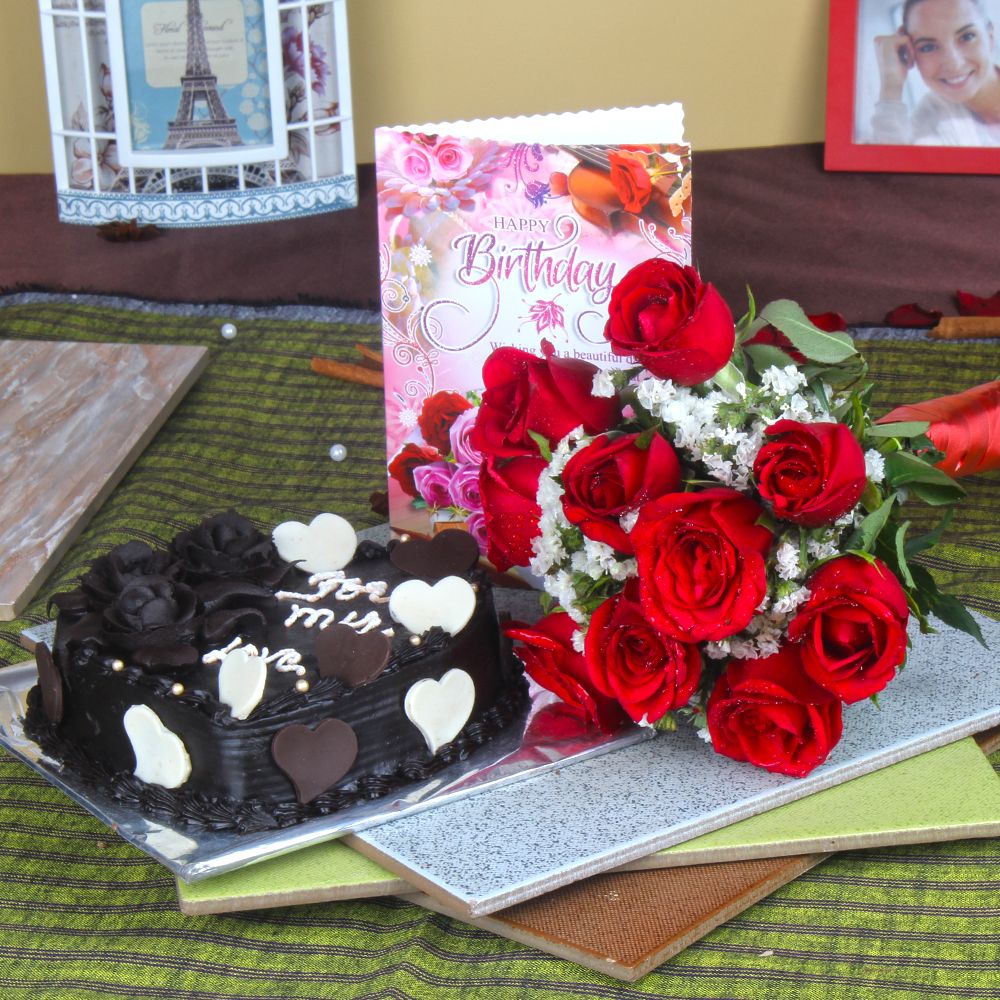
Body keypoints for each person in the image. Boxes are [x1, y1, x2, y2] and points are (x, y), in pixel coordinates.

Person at [870, 0, 1000, 144]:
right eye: (928, 47)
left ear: (990, 36)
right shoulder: (931, 119)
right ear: (910, 52)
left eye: (967, 37)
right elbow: (887, 161)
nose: (954, 64)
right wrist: (891, 84)